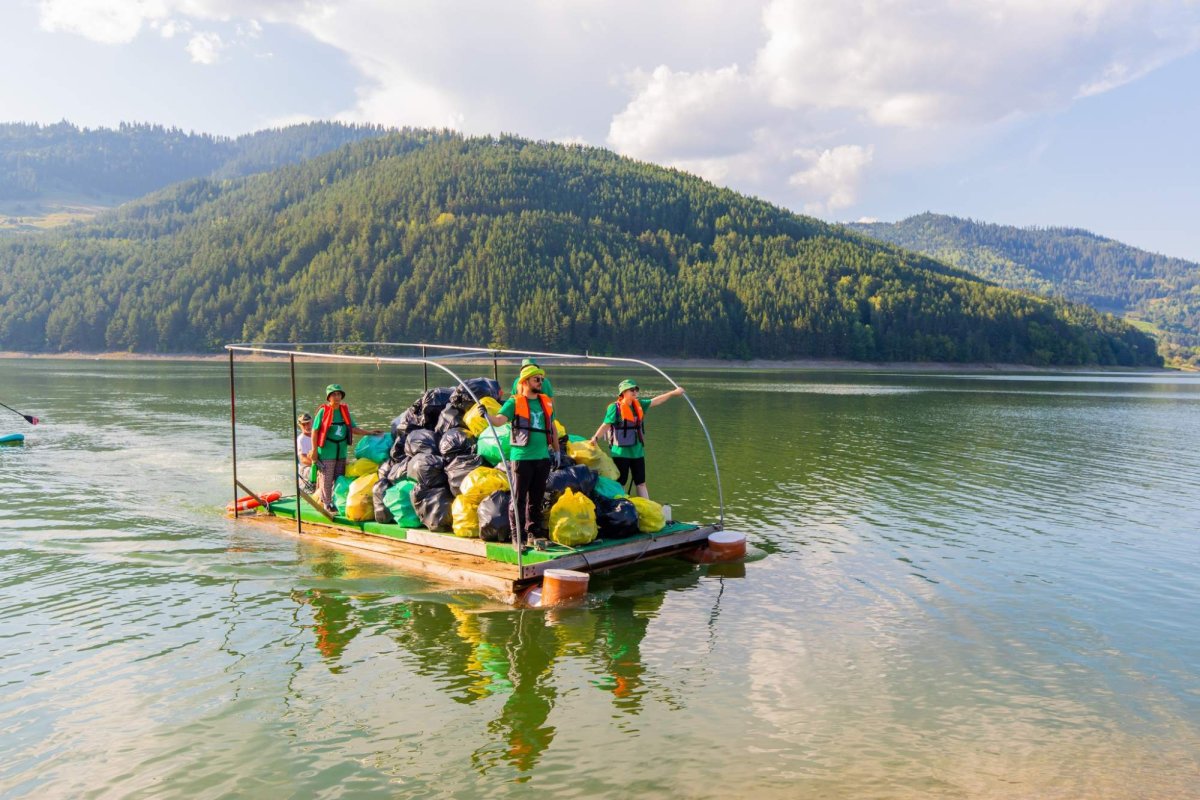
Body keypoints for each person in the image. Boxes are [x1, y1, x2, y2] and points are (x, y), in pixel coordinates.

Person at [487, 365, 560, 542]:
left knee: (536, 498)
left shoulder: (545, 402)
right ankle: (517, 536)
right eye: (537, 379)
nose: (540, 382)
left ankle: (533, 533)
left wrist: (557, 451)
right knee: (518, 499)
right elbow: (498, 421)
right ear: (525, 382)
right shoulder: (514, 402)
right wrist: (486, 415)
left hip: (542, 458)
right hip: (522, 458)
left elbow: (552, 428)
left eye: (541, 379)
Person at [590, 379, 685, 500]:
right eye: (631, 390)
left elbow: (656, 401)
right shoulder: (615, 408)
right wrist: (595, 438)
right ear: (623, 392)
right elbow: (606, 425)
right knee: (620, 482)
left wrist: (673, 393)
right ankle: (619, 505)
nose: (635, 392)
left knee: (641, 482)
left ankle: (648, 506)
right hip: (620, 453)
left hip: (638, 452)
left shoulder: (639, 404)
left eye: (636, 389)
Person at [312, 384, 382, 513]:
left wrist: (370, 433)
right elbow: (315, 431)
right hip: (327, 452)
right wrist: (315, 451)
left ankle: (337, 501)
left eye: (338, 394)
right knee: (326, 478)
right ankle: (326, 503)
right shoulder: (323, 412)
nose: (336, 397)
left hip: (341, 452)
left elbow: (353, 428)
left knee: (339, 478)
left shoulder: (344, 411)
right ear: (328, 397)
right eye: (333, 395)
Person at [296, 412, 316, 492]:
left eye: (308, 423)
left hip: (318, 464)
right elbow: (303, 459)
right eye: (304, 424)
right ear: (300, 425)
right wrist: (317, 465)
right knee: (321, 473)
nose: (307, 426)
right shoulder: (301, 439)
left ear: (312, 422)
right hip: (305, 468)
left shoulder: (317, 436)